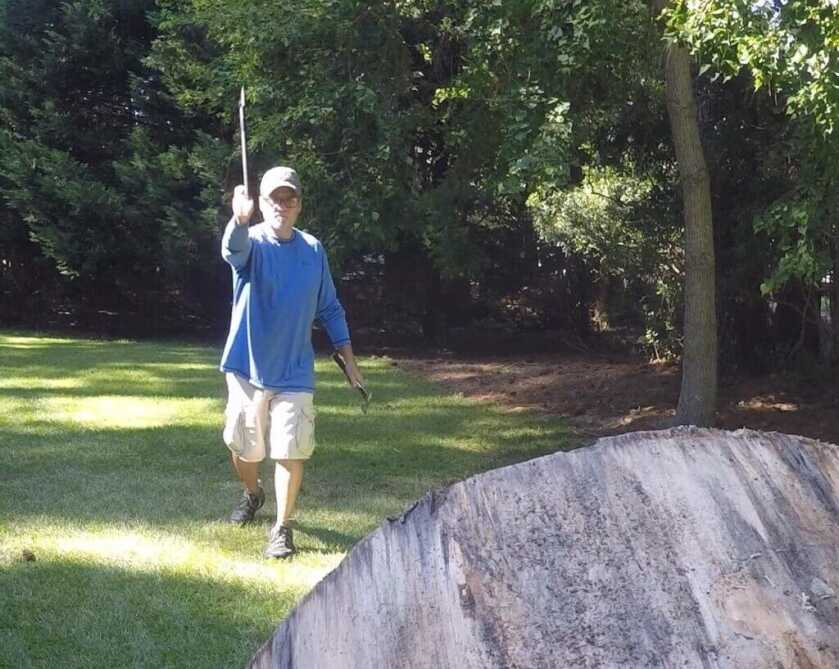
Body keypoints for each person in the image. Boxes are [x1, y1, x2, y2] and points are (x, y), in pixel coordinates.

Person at [219, 166, 363, 559]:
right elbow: (232, 251)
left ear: (299, 204)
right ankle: (253, 493)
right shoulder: (252, 243)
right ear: (263, 203)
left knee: (290, 449)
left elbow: (330, 308)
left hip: (295, 370)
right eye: (274, 199)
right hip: (247, 367)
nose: (282, 205)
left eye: (289, 198)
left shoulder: (313, 250)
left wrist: (349, 362)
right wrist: (239, 219)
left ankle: (282, 528)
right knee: (246, 449)